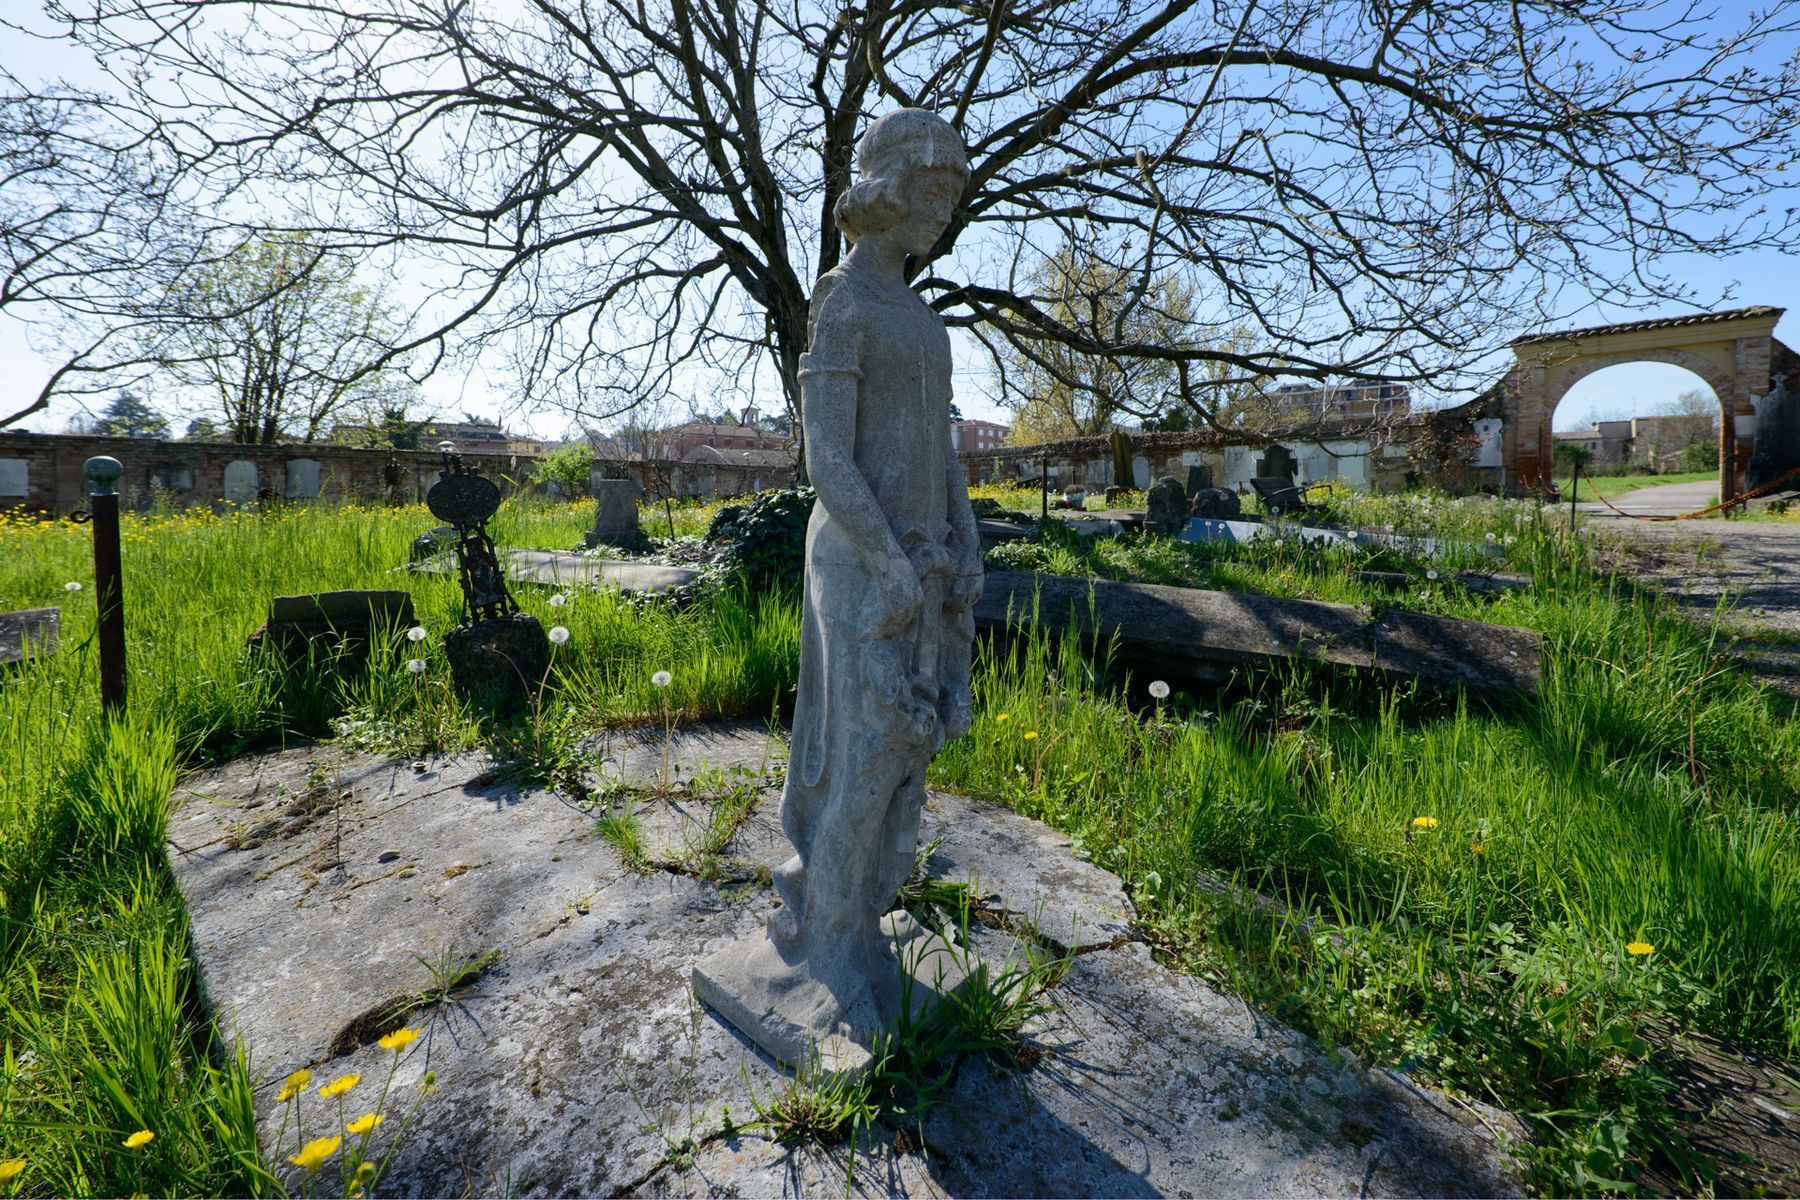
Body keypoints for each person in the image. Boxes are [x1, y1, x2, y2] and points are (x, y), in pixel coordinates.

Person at [692, 109, 982, 1069]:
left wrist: (964, 545)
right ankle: (829, 951)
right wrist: (890, 561)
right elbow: (826, 456)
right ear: (893, 187)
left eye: (953, 198)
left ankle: (857, 919)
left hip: (928, 562)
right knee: (862, 751)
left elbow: (942, 452)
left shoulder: (929, 320)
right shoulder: (843, 300)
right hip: (860, 561)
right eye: (933, 194)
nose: (943, 216)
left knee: (909, 747)